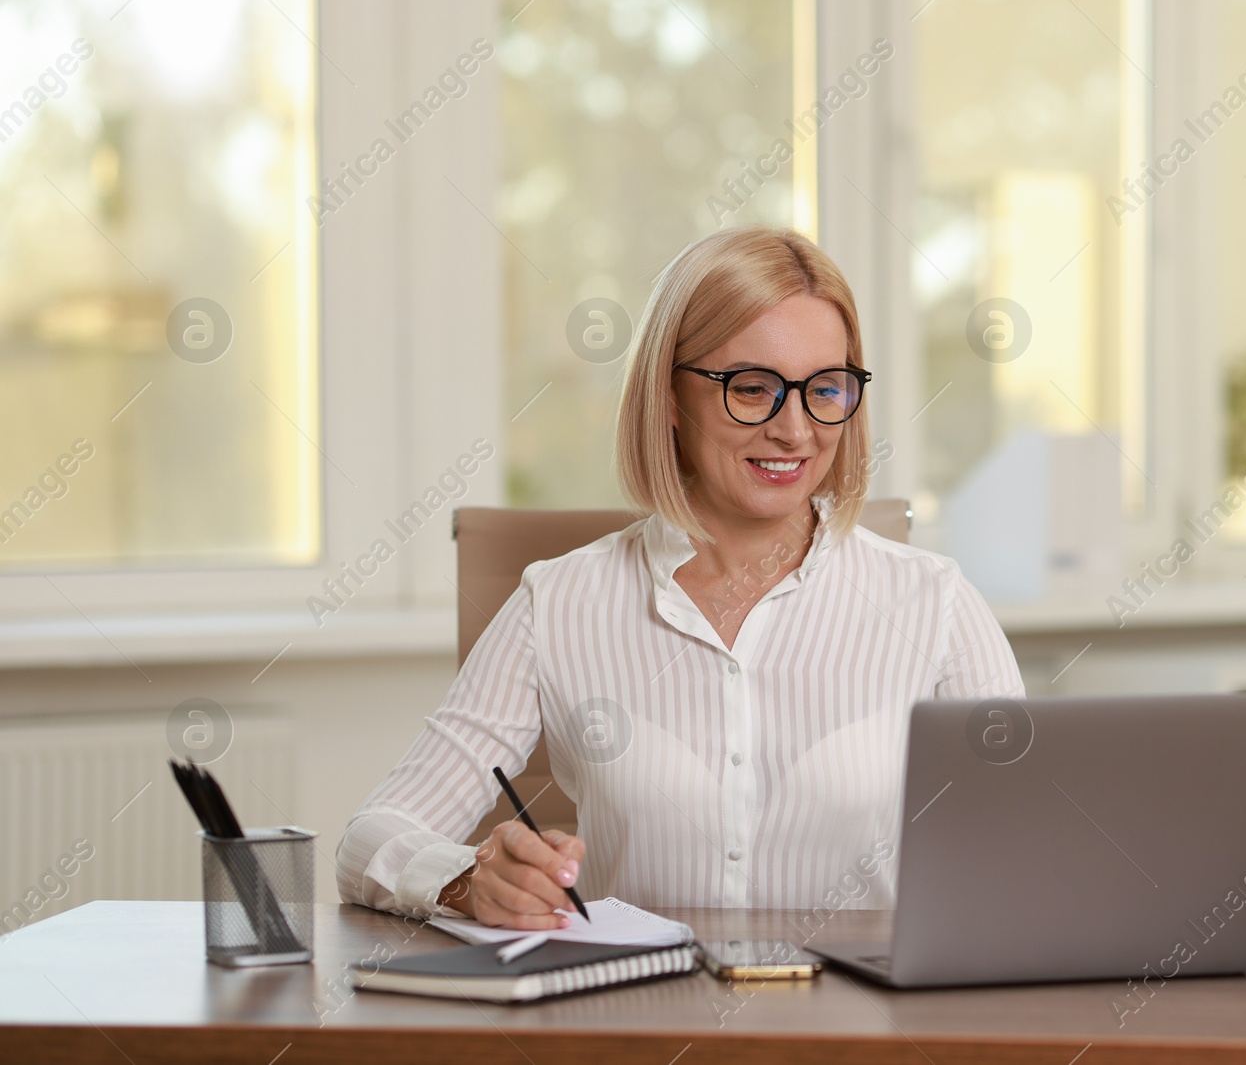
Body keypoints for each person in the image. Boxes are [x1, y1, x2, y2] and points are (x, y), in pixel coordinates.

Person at [335, 226, 1024, 929]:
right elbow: (371, 839)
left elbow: (1033, 852)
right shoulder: (561, 602)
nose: (795, 430)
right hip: (632, 1021)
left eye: (825, 388)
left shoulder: (933, 603)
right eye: (752, 388)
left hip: (860, 1031)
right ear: (668, 396)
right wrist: (466, 879)